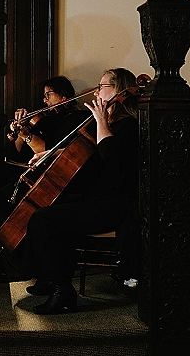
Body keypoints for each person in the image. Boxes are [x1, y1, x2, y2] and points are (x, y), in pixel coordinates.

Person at [25, 67, 140, 315]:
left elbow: (108, 154)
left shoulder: (128, 125)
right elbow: (87, 156)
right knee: (48, 211)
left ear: (119, 90)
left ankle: (62, 291)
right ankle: (53, 280)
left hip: (114, 206)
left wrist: (101, 120)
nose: (97, 91)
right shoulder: (108, 123)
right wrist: (49, 154)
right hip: (96, 198)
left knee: (43, 220)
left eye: (103, 86)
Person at [0, 76, 89, 281]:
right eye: (44, 96)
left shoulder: (75, 118)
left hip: (49, 182)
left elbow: (47, 151)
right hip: (29, 175)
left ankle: (13, 265)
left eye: (49, 95)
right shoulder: (45, 119)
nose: (45, 101)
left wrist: (28, 135)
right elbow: (15, 155)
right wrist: (18, 133)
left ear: (64, 95)